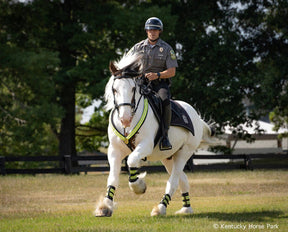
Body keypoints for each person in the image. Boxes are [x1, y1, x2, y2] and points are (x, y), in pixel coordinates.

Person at [129, 17, 178, 150]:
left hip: (159, 84)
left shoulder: (167, 49)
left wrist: (157, 75)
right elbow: (128, 65)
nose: (152, 32)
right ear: (146, 31)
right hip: (140, 83)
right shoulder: (137, 47)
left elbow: (172, 71)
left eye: (155, 30)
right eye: (150, 30)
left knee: (165, 100)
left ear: (159, 31)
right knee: (126, 100)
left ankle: (165, 135)